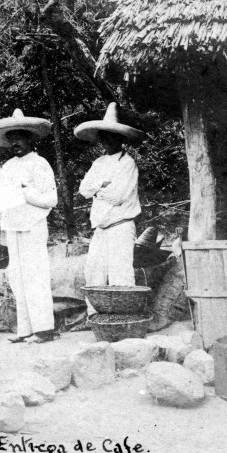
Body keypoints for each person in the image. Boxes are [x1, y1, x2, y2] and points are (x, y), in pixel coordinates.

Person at [0, 109, 58, 343]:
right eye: (11, 138)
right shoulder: (7, 167)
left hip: (33, 224)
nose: (15, 142)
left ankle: (44, 328)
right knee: (17, 276)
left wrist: (26, 192)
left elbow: (50, 199)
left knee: (35, 274)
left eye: (19, 137)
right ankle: (24, 328)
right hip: (13, 224)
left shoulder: (40, 163)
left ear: (29, 138)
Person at [74, 102, 146, 325]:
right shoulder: (98, 162)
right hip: (101, 228)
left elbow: (119, 195)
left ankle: (125, 320)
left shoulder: (128, 163)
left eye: (113, 136)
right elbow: (84, 190)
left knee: (120, 274)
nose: (108, 141)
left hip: (121, 225)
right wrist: (100, 187)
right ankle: (95, 317)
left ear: (121, 138)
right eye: (104, 136)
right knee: (93, 272)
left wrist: (99, 190)